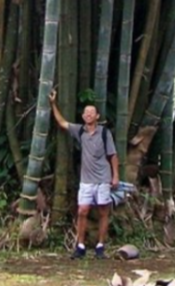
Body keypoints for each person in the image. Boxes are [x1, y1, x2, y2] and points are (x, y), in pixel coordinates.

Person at [48, 88, 120, 260]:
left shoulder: (104, 133)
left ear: (97, 116)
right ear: (83, 117)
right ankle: (80, 245)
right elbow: (62, 123)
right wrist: (53, 103)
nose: (88, 115)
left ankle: (100, 246)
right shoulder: (79, 131)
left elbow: (113, 155)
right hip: (86, 180)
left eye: (91, 113)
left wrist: (115, 176)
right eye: (86, 113)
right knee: (82, 210)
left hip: (103, 179)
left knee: (103, 211)